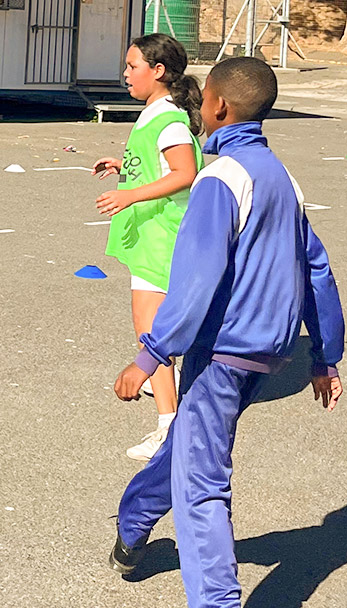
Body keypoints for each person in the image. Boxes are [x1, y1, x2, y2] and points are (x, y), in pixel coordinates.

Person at [109, 57, 345, 608]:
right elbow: (317, 270)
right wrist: (324, 356)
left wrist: (151, 353)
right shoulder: (283, 179)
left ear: (217, 108)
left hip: (225, 353)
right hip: (267, 354)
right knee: (187, 448)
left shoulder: (221, 180)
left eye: (202, 101)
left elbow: (197, 276)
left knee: (203, 495)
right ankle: (131, 528)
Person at [91, 33, 203, 462]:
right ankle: (172, 420)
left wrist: (129, 195)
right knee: (154, 334)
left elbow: (185, 172)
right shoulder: (155, 113)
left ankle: (168, 428)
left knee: (153, 336)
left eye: (132, 66)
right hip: (151, 236)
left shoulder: (169, 119)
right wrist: (125, 166)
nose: (125, 74)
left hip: (162, 237)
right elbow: (160, 164)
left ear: (158, 72)